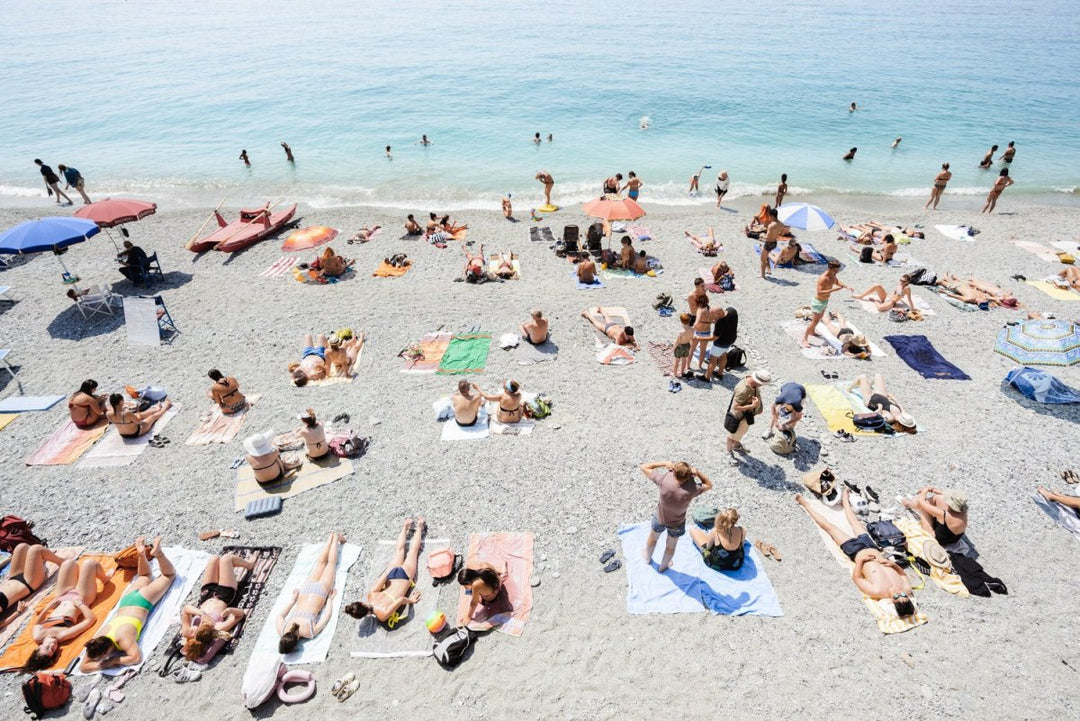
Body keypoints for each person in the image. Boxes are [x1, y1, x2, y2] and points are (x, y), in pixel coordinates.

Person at [796, 492, 917, 619]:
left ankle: (806, 505)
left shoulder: (877, 591)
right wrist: (893, 564)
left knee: (829, 527)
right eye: (903, 595)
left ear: (892, 601)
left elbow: (857, 578)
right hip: (872, 547)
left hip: (856, 551)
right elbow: (902, 574)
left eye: (897, 597)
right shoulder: (906, 588)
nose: (899, 593)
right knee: (855, 522)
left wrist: (861, 561)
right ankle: (845, 502)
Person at [81, 536, 176, 671]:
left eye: (102, 658)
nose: (100, 661)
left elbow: (136, 658)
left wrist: (112, 661)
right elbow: (83, 667)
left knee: (169, 575)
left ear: (107, 651)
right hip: (126, 602)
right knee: (145, 576)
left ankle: (158, 554)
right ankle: (141, 553)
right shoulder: (96, 641)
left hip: (142, 602)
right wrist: (102, 662)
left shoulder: (122, 640)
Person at [25, 556, 109, 671]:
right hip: (81, 597)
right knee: (90, 564)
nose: (53, 646)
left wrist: (47, 608)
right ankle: (105, 579)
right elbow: (90, 620)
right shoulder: (62, 635)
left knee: (68, 563)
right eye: (53, 650)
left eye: (47, 647)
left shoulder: (38, 636)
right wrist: (80, 604)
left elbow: (38, 622)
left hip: (62, 596)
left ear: (38, 648)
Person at [346, 519, 425, 626]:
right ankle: (405, 526)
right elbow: (383, 577)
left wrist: (411, 601)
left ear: (364, 616)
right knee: (399, 550)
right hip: (392, 575)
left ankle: (419, 526)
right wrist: (392, 567)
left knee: (413, 552)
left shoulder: (382, 615)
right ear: (362, 603)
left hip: (404, 578)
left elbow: (401, 599)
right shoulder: (371, 595)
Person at [277, 533, 346, 653]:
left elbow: (327, 616)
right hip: (304, 592)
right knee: (320, 564)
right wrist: (293, 600)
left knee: (330, 564)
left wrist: (329, 600)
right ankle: (330, 538)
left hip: (319, 594)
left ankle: (335, 540)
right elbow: (280, 616)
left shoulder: (309, 632)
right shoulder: (282, 629)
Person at [639, 461, 713, 572]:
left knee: (653, 538)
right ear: (689, 477)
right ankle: (663, 566)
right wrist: (697, 473)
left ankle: (648, 557)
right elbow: (708, 485)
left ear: (673, 472)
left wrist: (663, 463)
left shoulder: (664, 480)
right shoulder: (692, 489)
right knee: (670, 546)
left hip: (659, 518)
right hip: (677, 524)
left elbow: (644, 467)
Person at [179, 553, 254, 661]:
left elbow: (186, 609)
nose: (206, 622)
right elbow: (240, 615)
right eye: (208, 623)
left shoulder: (189, 632)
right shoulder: (217, 627)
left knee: (214, 559)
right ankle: (249, 565)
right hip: (224, 595)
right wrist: (229, 610)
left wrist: (202, 614)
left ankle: (226, 570)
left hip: (206, 595)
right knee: (226, 559)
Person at [0, 544, 64, 621]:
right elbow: (2, 624)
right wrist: (18, 612)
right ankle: (63, 562)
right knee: (36, 549)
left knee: (21, 547)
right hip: (28, 584)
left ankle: (39, 561)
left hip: (14, 577)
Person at [801, 259, 852, 348]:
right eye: (835, 270)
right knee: (814, 321)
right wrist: (834, 290)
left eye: (837, 271)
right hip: (818, 302)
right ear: (830, 268)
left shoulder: (833, 275)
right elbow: (819, 292)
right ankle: (804, 339)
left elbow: (836, 281)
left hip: (824, 301)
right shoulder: (823, 278)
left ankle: (812, 332)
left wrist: (846, 286)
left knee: (820, 318)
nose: (836, 272)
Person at [726, 370, 771, 464]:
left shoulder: (751, 382)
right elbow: (736, 407)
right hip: (740, 417)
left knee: (740, 433)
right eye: (762, 383)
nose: (762, 385)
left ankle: (736, 445)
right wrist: (752, 406)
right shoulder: (743, 390)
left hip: (747, 416)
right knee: (732, 435)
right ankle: (729, 452)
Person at [848, 373, 917, 432]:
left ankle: (849, 389)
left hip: (871, 400)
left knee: (862, 377)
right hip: (882, 396)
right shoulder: (903, 414)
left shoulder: (890, 418)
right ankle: (868, 385)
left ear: (900, 423)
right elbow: (901, 407)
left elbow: (876, 415)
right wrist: (894, 399)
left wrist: (880, 408)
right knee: (878, 375)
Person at [903, 487, 967, 546]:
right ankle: (913, 503)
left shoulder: (943, 514)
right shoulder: (963, 510)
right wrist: (932, 490)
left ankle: (908, 504)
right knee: (938, 497)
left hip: (940, 541)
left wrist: (924, 491)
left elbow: (921, 502)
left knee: (923, 507)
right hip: (955, 538)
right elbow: (945, 495)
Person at [457, 561, 508, 627]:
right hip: (497, 582)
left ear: (468, 582)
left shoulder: (476, 584)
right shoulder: (483, 567)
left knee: (470, 592)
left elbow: (474, 603)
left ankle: (501, 574)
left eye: (465, 585)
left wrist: (468, 617)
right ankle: (502, 571)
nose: (465, 587)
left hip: (492, 596)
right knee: (473, 588)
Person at [106, 393, 172, 439]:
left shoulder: (108, 413)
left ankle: (156, 409)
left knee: (138, 415)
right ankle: (166, 406)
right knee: (153, 417)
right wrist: (137, 409)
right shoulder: (127, 413)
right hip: (135, 433)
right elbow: (139, 421)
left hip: (123, 434)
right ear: (120, 402)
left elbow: (118, 417)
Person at [703, 308, 738, 383]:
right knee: (723, 355)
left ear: (719, 314)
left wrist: (702, 338)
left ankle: (706, 377)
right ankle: (720, 373)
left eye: (713, 316)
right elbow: (727, 323)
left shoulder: (720, 322)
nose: (713, 318)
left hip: (721, 343)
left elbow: (714, 338)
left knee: (713, 359)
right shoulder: (732, 311)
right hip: (731, 340)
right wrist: (715, 320)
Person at [691, 300, 724, 374]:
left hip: (698, 331)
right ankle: (699, 366)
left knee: (692, 349)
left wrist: (690, 329)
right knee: (703, 350)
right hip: (706, 332)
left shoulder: (700, 310)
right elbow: (715, 321)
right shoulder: (711, 311)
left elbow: (697, 321)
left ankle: (687, 366)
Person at [760, 208, 789, 278]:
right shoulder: (781, 224)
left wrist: (762, 236)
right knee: (766, 255)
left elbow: (767, 237)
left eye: (769, 216)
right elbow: (782, 233)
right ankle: (768, 269)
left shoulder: (771, 226)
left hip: (768, 244)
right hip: (774, 243)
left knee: (762, 259)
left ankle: (762, 275)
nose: (769, 218)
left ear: (772, 216)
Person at [672, 312, 694, 380]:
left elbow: (677, 342)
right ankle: (682, 372)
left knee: (677, 361)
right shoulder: (692, 329)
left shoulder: (680, 332)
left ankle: (675, 373)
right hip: (687, 345)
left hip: (680, 347)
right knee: (684, 360)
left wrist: (673, 348)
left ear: (681, 321)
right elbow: (691, 338)